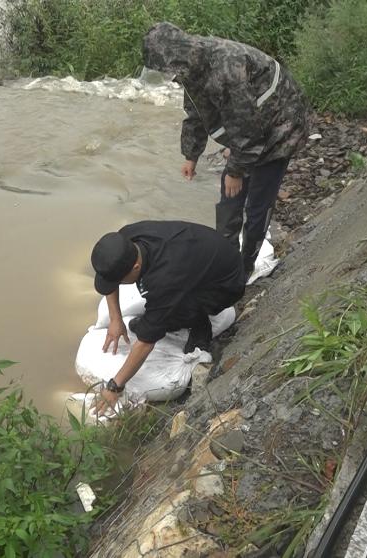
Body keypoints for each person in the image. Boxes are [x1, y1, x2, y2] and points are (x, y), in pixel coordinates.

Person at [142, 22, 310, 279]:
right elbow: (197, 112)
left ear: (176, 55)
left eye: (167, 71)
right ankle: (226, 259)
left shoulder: (226, 67)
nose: (170, 77)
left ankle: (246, 266)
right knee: (230, 197)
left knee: (256, 204)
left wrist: (236, 169)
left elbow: (248, 128)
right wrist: (191, 155)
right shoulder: (191, 65)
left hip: (280, 124)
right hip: (251, 127)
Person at [91, 220, 246, 409]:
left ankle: (200, 326)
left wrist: (115, 387)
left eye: (119, 280)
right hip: (202, 255)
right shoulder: (126, 240)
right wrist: (115, 319)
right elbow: (112, 277)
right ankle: (163, 317)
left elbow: (146, 343)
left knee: (170, 306)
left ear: (136, 267)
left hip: (227, 283)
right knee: (158, 298)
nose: (116, 284)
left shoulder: (166, 279)